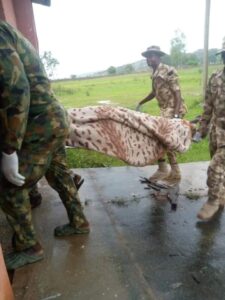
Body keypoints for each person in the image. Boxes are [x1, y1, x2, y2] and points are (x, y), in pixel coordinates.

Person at [0, 20, 89, 270]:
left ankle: (29, 247)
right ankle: (79, 223)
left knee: (9, 184)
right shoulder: (9, 31)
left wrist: (9, 149)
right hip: (53, 118)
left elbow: (16, 89)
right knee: (59, 175)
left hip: (39, 123)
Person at [136, 46, 187, 184]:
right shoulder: (154, 73)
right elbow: (154, 92)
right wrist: (141, 102)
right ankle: (164, 168)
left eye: (152, 55)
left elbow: (177, 93)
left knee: (166, 139)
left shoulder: (168, 70)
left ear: (159, 57)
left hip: (173, 108)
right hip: (165, 109)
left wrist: (176, 116)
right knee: (158, 138)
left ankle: (174, 172)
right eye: (148, 56)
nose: (150, 58)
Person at [193, 42, 225, 220]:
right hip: (216, 133)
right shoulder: (215, 77)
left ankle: (212, 201)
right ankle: (221, 195)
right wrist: (201, 130)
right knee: (221, 168)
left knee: (215, 168)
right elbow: (208, 107)